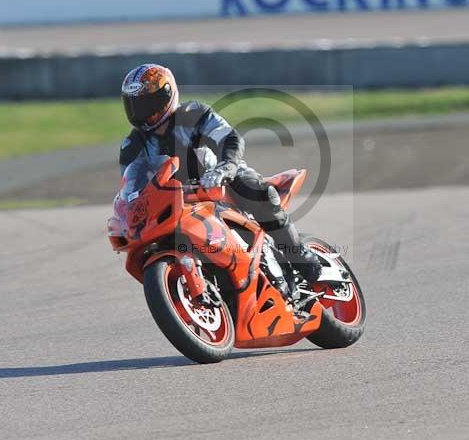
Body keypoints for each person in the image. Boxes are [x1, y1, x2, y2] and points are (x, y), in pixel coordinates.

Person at [119, 63, 323, 284]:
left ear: (166, 96)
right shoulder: (132, 145)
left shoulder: (193, 115)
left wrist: (226, 167)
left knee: (257, 192)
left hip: (219, 179)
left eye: (148, 103)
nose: (143, 112)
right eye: (135, 105)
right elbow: (132, 185)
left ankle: (298, 254)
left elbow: (230, 138)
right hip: (177, 200)